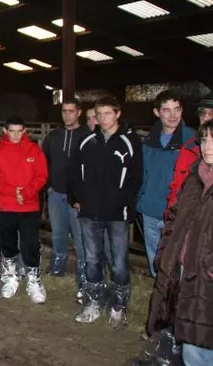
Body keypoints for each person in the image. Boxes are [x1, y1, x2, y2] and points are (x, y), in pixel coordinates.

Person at [69, 96, 142, 328]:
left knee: (119, 261)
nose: (102, 119)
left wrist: (125, 204)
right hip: (90, 212)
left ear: (118, 113)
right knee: (92, 259)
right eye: (98, 114)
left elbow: (135, 178)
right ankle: (92, 303)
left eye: (107, 113)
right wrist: (77, 198)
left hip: (116, 214)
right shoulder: (87, 141)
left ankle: (119, 306)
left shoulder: (129, 142)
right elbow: (73, 172)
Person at [146, 120, 213, 366]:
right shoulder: (195, 178)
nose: (207, 146)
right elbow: (174, 216)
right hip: (185, 268)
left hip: (206, 276)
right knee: (190, 341)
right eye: (204, 139)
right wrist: (167, 251)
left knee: (201, 343)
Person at [0, 116, 48, 304]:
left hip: (28, 206)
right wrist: (12, 191)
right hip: (5, 205)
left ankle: (34, 280)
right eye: (12, 130)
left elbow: (41, 175)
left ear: (24, 130)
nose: (16, 135)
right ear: (5, 131)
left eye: (20, 131)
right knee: (7, 243)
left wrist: (26, 192)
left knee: (30, 244)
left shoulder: (34, 150)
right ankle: (10, 277)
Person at [137, 91, 195, 277]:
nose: (173, 116)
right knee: (155, 256)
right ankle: (161, 293)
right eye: (167, 110)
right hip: (151, 209)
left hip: (178, 211)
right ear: (157, 113)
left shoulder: (193, 141)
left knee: (180, 258)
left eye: (177, 110)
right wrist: (141, 199)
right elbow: (143, 174)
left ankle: (178, 299)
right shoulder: (148, 141)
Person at [42, 98, 90, 283]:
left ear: (79, 112)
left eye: (71, 111)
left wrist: (85, 194)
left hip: (78, 197)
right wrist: (49, 187)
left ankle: (84, 273)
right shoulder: (53, 136)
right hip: (56, 193)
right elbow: (44, 162)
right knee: (58, 233)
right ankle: (57, 267)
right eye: (64, 111)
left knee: (80, 237)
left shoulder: (87, 136)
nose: (67, 115)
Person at [165, 91, 213, 218]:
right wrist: (170, 221)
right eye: (202, 113)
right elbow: (176, 188)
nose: (206, 117)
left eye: (212, 112)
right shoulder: (189, 148)